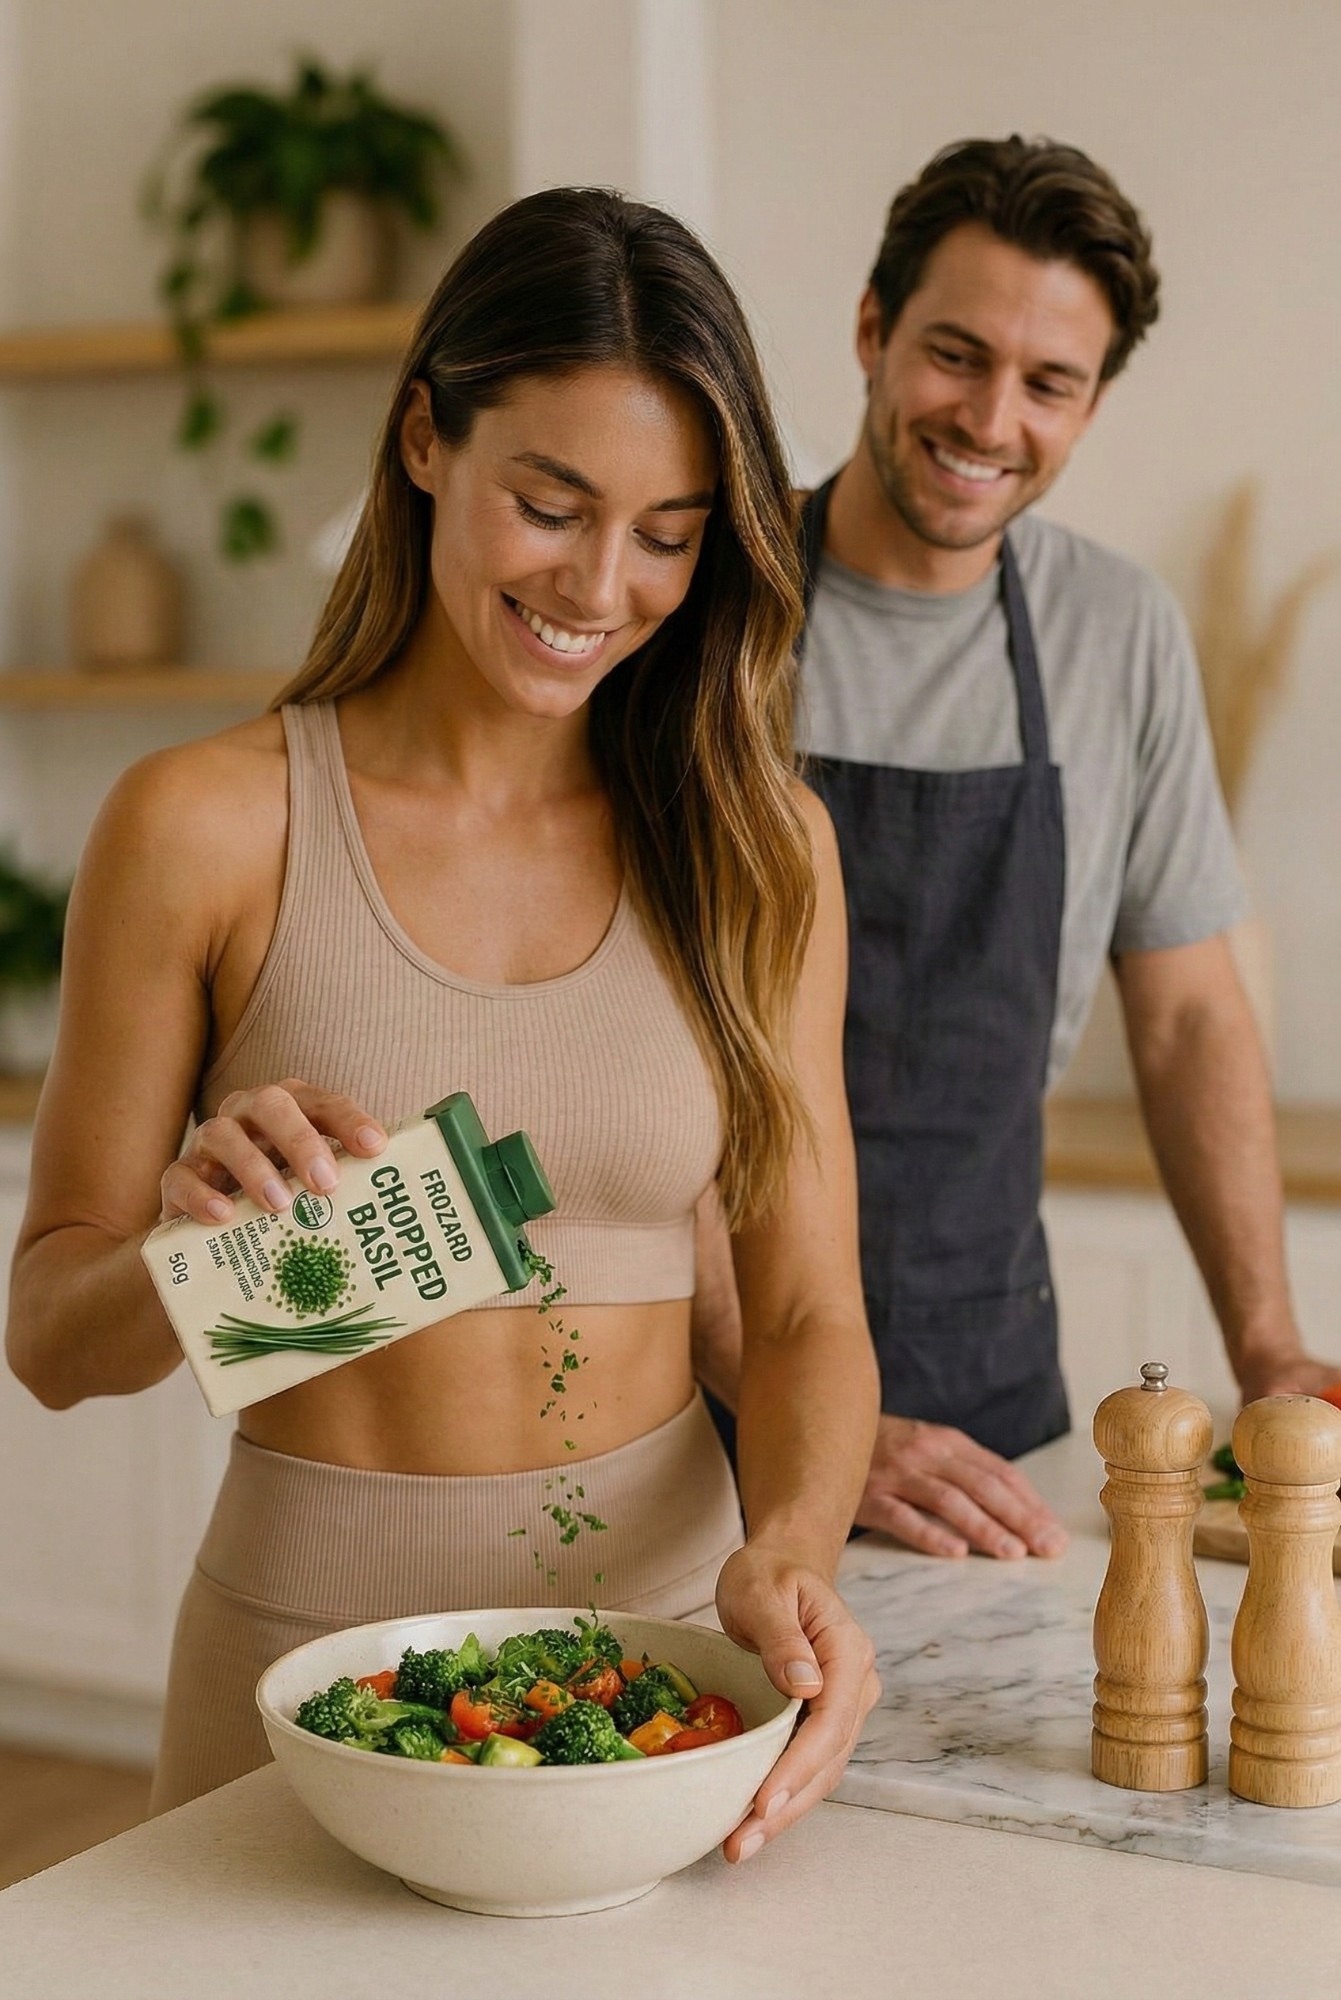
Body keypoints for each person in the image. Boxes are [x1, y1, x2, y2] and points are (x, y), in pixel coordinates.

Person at [4, 188, 880, 1858]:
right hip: (303, 1692)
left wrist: (789, 1547)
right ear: (424, 439)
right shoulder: (204, 822)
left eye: (669, 534)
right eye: (549, 504)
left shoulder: (757, 846)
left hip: (650, 1690)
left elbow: (806, 1315)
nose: (599, 586)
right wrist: (205, 1251)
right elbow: (52, 1341)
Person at [692, 135, 1339, 1564]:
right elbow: (618, 1047)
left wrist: (1268, 1343)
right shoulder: (705, 611)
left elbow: (1181, 1020)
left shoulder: (1118, 633)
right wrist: (781, 1391)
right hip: (695, 1383)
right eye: (953, 353)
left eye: (1048, 383)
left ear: (1092, 403)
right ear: (870, 331)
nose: (990, 416)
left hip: (984, 1378)